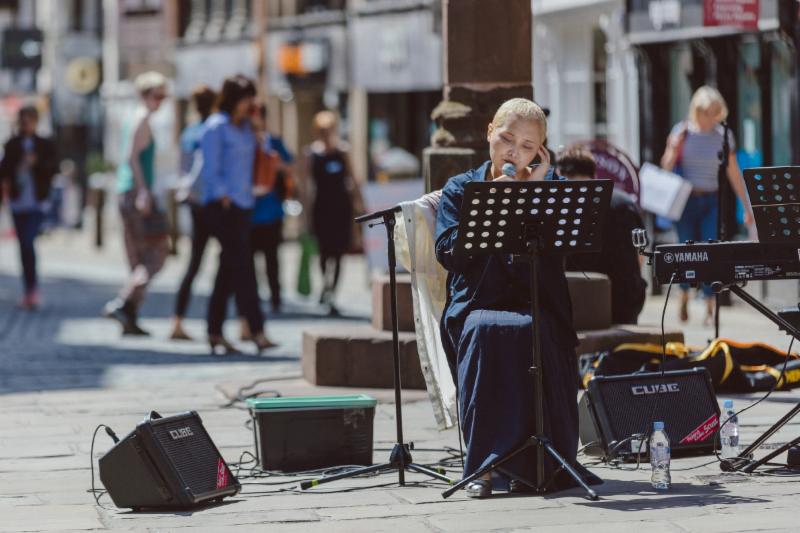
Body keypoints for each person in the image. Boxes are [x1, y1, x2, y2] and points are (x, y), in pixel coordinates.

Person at [435, 98, 597, 498]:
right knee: (488, 332)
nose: (513, 152)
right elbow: (447, 252)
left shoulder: (551, 188)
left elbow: (569, 248)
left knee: (538, 330)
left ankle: (545, 462)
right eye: (506, 139)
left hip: (537, 302)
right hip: (477, 304)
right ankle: (484, 467)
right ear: (490, 132)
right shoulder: (461, 188)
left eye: (527, 146)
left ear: (541, 151)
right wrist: (494, 199)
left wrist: (537, 190)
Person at [660, 85, 752, 325]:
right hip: (686, 200)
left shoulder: (723, 135)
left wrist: (746, 205)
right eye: (706, 112)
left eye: (715, 112)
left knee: (711, 251)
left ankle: (711, 305)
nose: (711, 118)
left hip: (712, 199)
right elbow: (666, 167)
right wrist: (673, 147)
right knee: (686, 252)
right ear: (697, 111)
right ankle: (684, 294)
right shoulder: (682, 132)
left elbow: (733, 171)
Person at [200, 74, 276, 354]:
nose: (250, 104)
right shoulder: (215, 127)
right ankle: (257, 330)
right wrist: (224, 195)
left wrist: (258, 130)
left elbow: (265, 157)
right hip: (223, 206)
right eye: (247, 99)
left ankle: (214, 331)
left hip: (245, 204)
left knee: (228, 269)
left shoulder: (246, 128)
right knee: (244, 268)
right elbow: (210, 168)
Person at [103, 71, 170, 335]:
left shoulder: (135, 118)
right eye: (157, 96)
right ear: (144, 95)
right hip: (134, 193)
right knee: (155, 255)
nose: (161, 101)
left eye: (164, 96)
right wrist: (144, 192)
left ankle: (129, 315)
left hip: (127, 192)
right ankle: (123, 303)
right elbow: (131, 159)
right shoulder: (141, 119)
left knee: (138, 258)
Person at [560, 145, 647, 324]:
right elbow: (640, 257)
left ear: (560, 174)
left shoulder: (561, 204)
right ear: (594, 174)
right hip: (625, 303)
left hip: (577, 304)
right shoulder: (624, 202)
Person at [169, 85, 217, 341]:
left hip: (192, 201)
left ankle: (177, 320)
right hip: (210, 200)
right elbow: (204, 167)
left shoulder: (189, 132)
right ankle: (242, 324)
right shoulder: (213, 130)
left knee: (194, 262)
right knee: (234, 261)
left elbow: (181, 167)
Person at [0, 105, 58, 310]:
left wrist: (36, 163)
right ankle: (29, 289)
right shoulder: (12, 145)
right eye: (23, 120)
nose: (26, 124)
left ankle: (32, 289)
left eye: (30, 120)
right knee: (23, 245)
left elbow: (54, 169)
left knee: (28, 241)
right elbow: (4, 172)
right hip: (18, 202)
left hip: (37, 202)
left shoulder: (44, 144)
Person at [303, 111, 359, 316]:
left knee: (338, 253)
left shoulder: (343, 151)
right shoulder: (311, 154)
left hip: (340, 208)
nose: (327, 133)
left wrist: (359, 204)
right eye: (323, 130)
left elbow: (353, 179)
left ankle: (331, 293)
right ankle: (324, 286)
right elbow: (307, 185)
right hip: (321, 208)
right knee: (324, 252)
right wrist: (306, 214)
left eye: (330, 129)